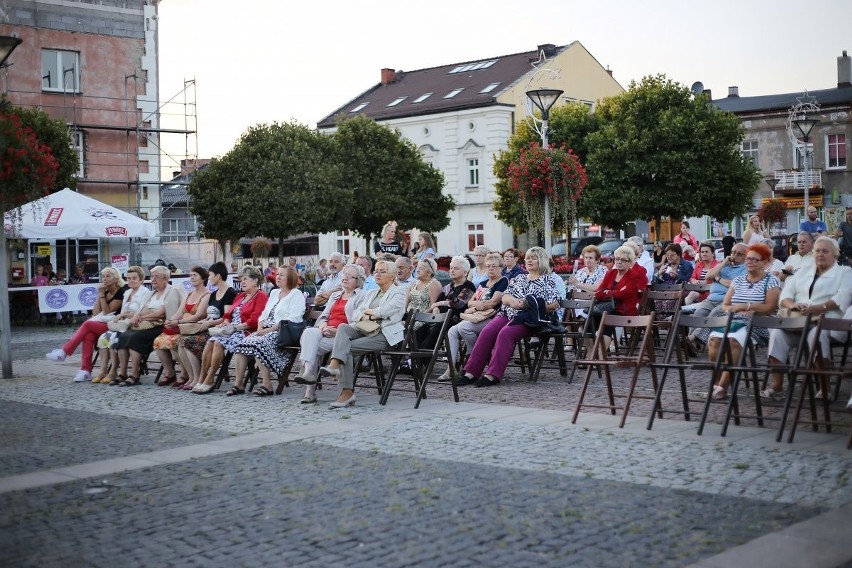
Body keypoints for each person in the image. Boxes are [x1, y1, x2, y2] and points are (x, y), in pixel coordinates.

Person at [762, 237, 852, 399]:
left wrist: (816, 308)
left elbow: (843, 297)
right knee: (777, 334)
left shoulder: (844, 272)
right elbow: (785, 296)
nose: (820, 254)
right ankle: (777, 386)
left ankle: (825, 389)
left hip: (828, 322)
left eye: (825, 251)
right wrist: (793, 306)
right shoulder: (803, 271)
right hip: (798, 320)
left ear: (835, 255)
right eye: (817, 251)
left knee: (815, 334)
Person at [457, 246, 558, 388]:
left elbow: (553, 305)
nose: (529, 260)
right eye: (528, 257)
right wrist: (513, 302)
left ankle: (492, 374)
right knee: (487, 332)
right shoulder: (519, 278)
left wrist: (529, 305)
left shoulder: (549, 280)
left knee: (505, 334)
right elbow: (504, 296)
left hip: (529, 318)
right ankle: (471, 372)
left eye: (533, 258)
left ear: (541, 260)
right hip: (507, 312)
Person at [318, 259, 407, 408]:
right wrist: (371, 314)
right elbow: (355, 315)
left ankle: (346, 393)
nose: (377, 274)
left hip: (384, 334)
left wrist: (370, 313)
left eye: (382, 271)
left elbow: (386, 311)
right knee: (343, 328)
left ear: (392, 276)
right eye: (376, 271)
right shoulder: (372, 292)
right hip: (366, 329)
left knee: (348, 349)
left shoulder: (400, 291)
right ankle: (334, 365)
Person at [698, 243, 782, 400]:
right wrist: (733, 309)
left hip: (758, 323)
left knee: (734, 342)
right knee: (714, 340)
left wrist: (747, 306)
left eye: (754, 260)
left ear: (764, 262)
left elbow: (770, 307)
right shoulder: (738, 280)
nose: (749, 262)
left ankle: (722, 388)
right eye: (748, 259)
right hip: (734, 319)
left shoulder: (771, 281)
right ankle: (716, 385)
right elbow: (725, 304)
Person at [226, 266, 306, 397]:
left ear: (290, 278)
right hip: (265, 329)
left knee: (258, 343)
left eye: (282, 275)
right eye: (277, 274)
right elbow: (264, 314)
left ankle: (267, 384)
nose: (278, 277)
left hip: (282, 331)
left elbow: (293, 319)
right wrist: (259, 327)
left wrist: (270, 329)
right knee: (242, 344)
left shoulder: (296, 295)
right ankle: (238, 384)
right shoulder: (274, 292)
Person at [293, 264, 368, 403]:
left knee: (311, 346)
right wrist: (323, 326)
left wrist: (336, 330)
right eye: (344, 274)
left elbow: (358, 322)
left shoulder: (362, 296)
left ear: (358, 281)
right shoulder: (335, 295)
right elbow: (323, 316)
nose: (345, 277)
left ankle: (310, 392)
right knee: (310, 332)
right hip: (326, 330)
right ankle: (308, 372)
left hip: (343, 336)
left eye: (350, 276)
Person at [46, 267, 128, 382]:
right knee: (88, 335)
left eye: (108, 276)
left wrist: (102, 296)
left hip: (115, 325)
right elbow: (95, 313)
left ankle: (65, 351)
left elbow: (107, 311)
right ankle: (85, 371)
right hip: (103, 323)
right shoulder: (104, 291)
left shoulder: (121, 291)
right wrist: (100, 295)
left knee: (88, 324)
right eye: (103, 276)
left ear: (116, 278)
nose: (105, 279)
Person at [194, 265, 268, 391]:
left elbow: (255, 320)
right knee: (210, 342)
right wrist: (226, 322)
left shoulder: (260, 296)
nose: (242, 282)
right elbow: (228, 315)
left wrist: (235, 327)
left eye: (245, 279)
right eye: (241, 279)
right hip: (231, 330)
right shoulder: (241, 296)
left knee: (217, 342)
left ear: (255, 280)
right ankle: (202, 378)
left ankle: (210, 378)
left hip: (245, 331)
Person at [437, 253, 507, 382]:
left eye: (493, 266)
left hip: (492, 318)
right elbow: (470, 302)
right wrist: (476, 306)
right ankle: (451, 369)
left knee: (464, 328)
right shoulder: (484, 282)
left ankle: (475, 360)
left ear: (501, 268)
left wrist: (477, 305)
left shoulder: (503, 281)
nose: (490, 269)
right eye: (488, 266)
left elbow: (494, 302)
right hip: (476, 316)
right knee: (452, 331)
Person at [113, 265, 182, 386]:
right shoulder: (151, 294)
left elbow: (160, 313)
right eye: (152, 276)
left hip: (162, 326)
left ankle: (134, 374)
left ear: (165, 279)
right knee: (124, 336)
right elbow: (143, 309)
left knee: (135, 338)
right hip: (147, 325)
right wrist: (137, 315)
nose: (153, 280)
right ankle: (122, 373)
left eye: (157, 277)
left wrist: (140, 317)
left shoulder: (171, 292)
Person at [179, 262, 236, 391]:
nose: (209, 278)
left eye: (210, 275)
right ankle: (196, 377)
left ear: (218, 276)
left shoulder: (230, 293)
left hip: (219, 329)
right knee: (181, 341)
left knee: (189, 341)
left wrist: (208, 323)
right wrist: (204, 321)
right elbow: (210, 315)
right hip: (210, 328)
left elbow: (226, 317)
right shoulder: (214, 293)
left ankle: (204, 377)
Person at [152, 266, 211, 388]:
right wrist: (171, 320)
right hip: (185, 328)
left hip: (197, 329)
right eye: (190, 275)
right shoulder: (189, 294)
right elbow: (179, 312)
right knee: (159, 340)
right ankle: (188, 376)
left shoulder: (207, 295)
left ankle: (194, 377)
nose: (192, 277)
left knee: (182, 341)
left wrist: (177, 322)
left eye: (195, 275)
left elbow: (198, 316)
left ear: (203, 278)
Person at [686, 243, 748, 350]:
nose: (734, 255)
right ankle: (694, 345)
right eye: (733, 252)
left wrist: (718, 279)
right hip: (710, 299)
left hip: (727, 301)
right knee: (699, 313)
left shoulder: (745, 268)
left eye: (739, 254)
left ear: (745, 256)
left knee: (714, 314)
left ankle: (692, 339)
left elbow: (734, 284)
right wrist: (724, 263)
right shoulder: (724, 265)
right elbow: (709, 276)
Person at [95, 266, 150, 385]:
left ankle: (116, 371)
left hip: (136, 324)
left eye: (134, 278)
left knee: (115, 338)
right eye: (129, 278)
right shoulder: (127, 292)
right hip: (123, 324)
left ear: (141, 279)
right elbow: (122, 312)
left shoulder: (145, 292)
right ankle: (103, 370)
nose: (131, 280)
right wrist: (121, 316)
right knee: (104, 337)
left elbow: (141, 312)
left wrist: (124, 315)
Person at [591, 245, 648, 351]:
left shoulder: (634, 276)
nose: (619, 262)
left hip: (624, 310)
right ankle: (591, 354)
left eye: (623, 260)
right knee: (590, 321)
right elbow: (598, 293)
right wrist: (615, 292)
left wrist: (608, 292)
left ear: (630, 263)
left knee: (607, 320)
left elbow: (625, 294)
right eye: (617, 259)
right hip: (607, 308)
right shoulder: (610, 273)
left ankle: (599, 356)